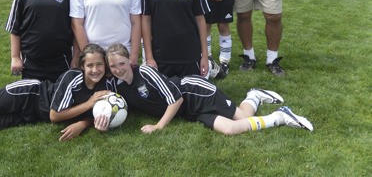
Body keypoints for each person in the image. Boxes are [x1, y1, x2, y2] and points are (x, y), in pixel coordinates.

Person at [104, 43, 314, 135]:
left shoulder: (145, 72)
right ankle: (267, 106)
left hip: (196, 93)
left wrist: (158, 126)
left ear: (130, 61)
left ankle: (268, 105)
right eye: (113, 66)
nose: (118, 69)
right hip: (188, 112)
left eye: (121, 64)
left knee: (241, 118)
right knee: (231, 129)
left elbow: (175, 98)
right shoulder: (115, 84)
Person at [6, 0, 75, 81]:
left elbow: (76, 25)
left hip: (61, 60)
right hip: (31, 61)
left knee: (59, 99)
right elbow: (15, 28)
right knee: (33, 98)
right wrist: (15, 57)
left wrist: (76, 56)